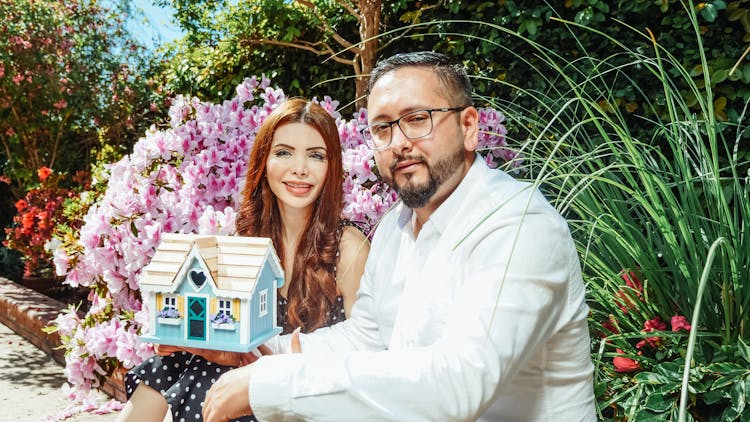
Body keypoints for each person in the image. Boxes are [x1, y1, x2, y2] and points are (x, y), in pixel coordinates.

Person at [202, 51, 597, 421]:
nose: (399, 142)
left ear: (469, 128)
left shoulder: (518, 223)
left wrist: (272, 384)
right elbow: (366, 336)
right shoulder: (396, 226)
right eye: (382, 128)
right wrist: (257, 351)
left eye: (417, 118)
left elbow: (460, 384)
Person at [117, 98, 370, 422]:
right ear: (263, 161)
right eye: (284, 152)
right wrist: (186, 340)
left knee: (209, 376)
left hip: (309, 398)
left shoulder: (347, 248)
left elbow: (366, 356)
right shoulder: (247, 243)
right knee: (173, 364)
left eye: (316, 155)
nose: (300, 168)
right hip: (243, 382)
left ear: (331, 166)